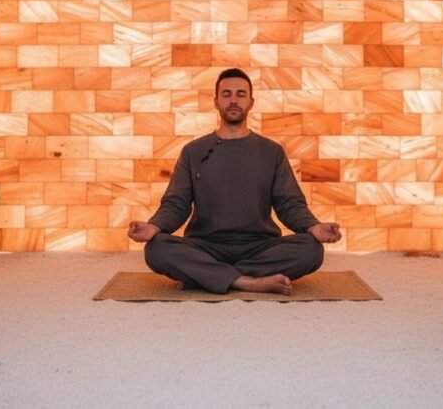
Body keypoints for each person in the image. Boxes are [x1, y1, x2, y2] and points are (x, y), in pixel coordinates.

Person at [128, 68, 342, 295]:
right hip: (205, 246)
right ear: (216, 102)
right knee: (157, 248)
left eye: (240, 94)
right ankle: (249, 282)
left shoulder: (271, 151)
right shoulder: (193, 151)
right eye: (226, 94)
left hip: (259, 247)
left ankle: (209, 276)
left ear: (251, 102)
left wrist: (313, 226)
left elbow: (289, 203)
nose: (233, 100)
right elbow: (176, 203)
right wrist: (154, 226)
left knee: (311, 249)